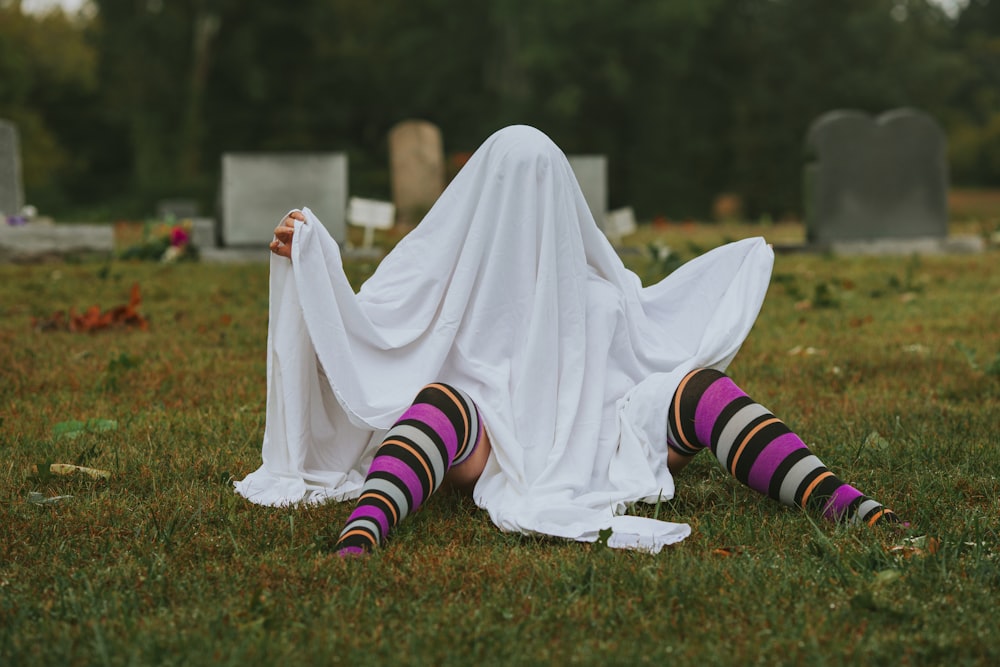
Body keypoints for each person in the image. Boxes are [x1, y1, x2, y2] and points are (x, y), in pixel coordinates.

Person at [237, 125, 897, 556]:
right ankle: (366, 527)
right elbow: (370, 329)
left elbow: (643, 346)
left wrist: (642, 404)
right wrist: (313, 266)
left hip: (606, 435)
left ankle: (837, 496)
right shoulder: (445, 273)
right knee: (442, 402)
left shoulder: (595, 285)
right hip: (488, 444)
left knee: (702, 388)